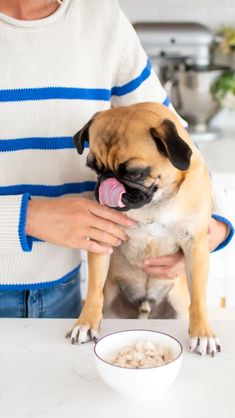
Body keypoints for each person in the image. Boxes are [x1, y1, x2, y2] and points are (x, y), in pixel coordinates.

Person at [0, 0, 233, 318]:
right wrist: (27, 218)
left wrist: (214, 224)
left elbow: (176, 137)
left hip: (63, 293)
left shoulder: (100, 16)